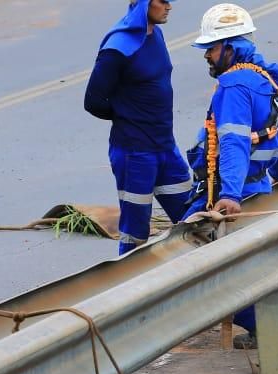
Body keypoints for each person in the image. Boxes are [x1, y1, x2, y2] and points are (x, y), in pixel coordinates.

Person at [183, 3, 278, 333]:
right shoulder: (269, 79)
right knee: (247, 263)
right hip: (259, 187)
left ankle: (263, 327)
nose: (206, 56)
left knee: (187, 262)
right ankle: (266, 327)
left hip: (231, 192)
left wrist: (229, 194)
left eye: (211, 49)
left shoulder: (233, 87)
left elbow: (233, 143)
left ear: (230, 49)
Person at [84, 0, 192, 255]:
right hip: (135, 155)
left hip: (166, 148)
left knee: (192, 218)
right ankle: (132, 290)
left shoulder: (157, 35)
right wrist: (128, 118)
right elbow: (93, 101)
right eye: (163, 1)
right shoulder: (118, 48)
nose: (169, 6)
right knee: (135, 235)